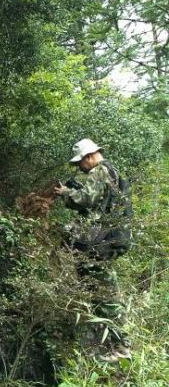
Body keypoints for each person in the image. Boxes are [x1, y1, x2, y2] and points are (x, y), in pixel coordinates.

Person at [55, 138, 132, 360]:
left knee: (106, 295)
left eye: (80, 162)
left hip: (100, 242)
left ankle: (121, 347)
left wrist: (65, 193)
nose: (79, 167)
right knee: (100, 291)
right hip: (110, 240)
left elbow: (86, 200)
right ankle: (109, 345)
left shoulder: (99, 171)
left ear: (89, 157)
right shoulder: (113, 172)